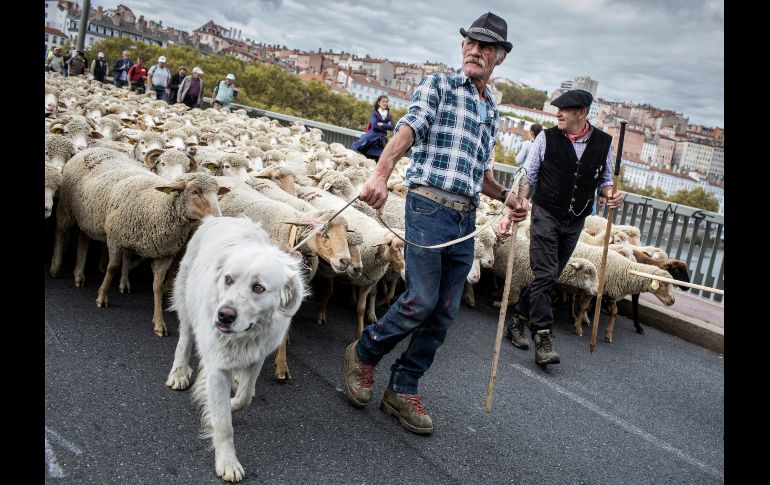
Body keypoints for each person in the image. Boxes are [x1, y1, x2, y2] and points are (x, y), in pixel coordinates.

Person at [343, 11, 519, 435]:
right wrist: (380, 175)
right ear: (463, 46)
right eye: (471, 43)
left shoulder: (491, 107)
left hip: (465, 214)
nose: (476, 50)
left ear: (500, 57)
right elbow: (408, 129)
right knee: (421, 299)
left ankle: (403, 387)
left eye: (486, 47)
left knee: (443, 311)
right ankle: (364, 354)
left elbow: (481, 174)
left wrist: (508, 197)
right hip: (427, 205)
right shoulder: (439, 85)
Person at [499, 89, 623, 366]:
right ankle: (542, 337)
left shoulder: (604, 143)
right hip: (545, 214)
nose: (557, 114)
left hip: (575, 219)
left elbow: (604, 181)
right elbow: (529, 176)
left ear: (581, 112)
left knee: (549, 276)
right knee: (544, 272)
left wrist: (610, 194)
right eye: (557, 109)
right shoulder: (546, 137)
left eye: (563, 110)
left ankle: (517, 319)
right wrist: (512, 210)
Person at [351, 95, 395, 162]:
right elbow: (374, 125)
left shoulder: (388, 115)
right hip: (373, 136)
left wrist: (382, 124)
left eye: (386, 102)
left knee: (381, 157)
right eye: (383, 101)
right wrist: (385, 126)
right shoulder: (374, 113)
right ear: (379, 103)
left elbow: (392, 127)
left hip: (382, 140)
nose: (385, 103)